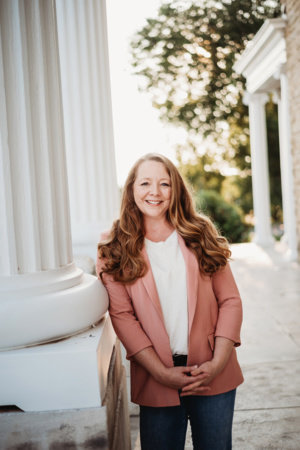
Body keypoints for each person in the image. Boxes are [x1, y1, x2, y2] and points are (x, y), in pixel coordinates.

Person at [97, 153, 243, 450]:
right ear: (131, 190)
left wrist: (217, 363)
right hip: (156, 377)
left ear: (175, 190)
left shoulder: (199, 233)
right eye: (145, 183)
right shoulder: (114, 246)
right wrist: (161, 372)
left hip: (212, 371)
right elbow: (123, 317)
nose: (155, 192)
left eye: (164, 184)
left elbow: (230, 301)